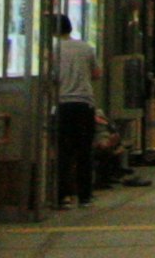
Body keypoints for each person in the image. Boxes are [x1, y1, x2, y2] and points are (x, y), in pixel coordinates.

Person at [45, 14, 101, 210]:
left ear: (53, 31)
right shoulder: (86, 47)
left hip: (63, 105)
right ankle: (85, 196)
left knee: (64, 152)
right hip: (84, 104)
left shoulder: (53, 50)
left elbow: (50, 77)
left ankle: (63, 196)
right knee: (84, 151)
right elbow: (97, 74)